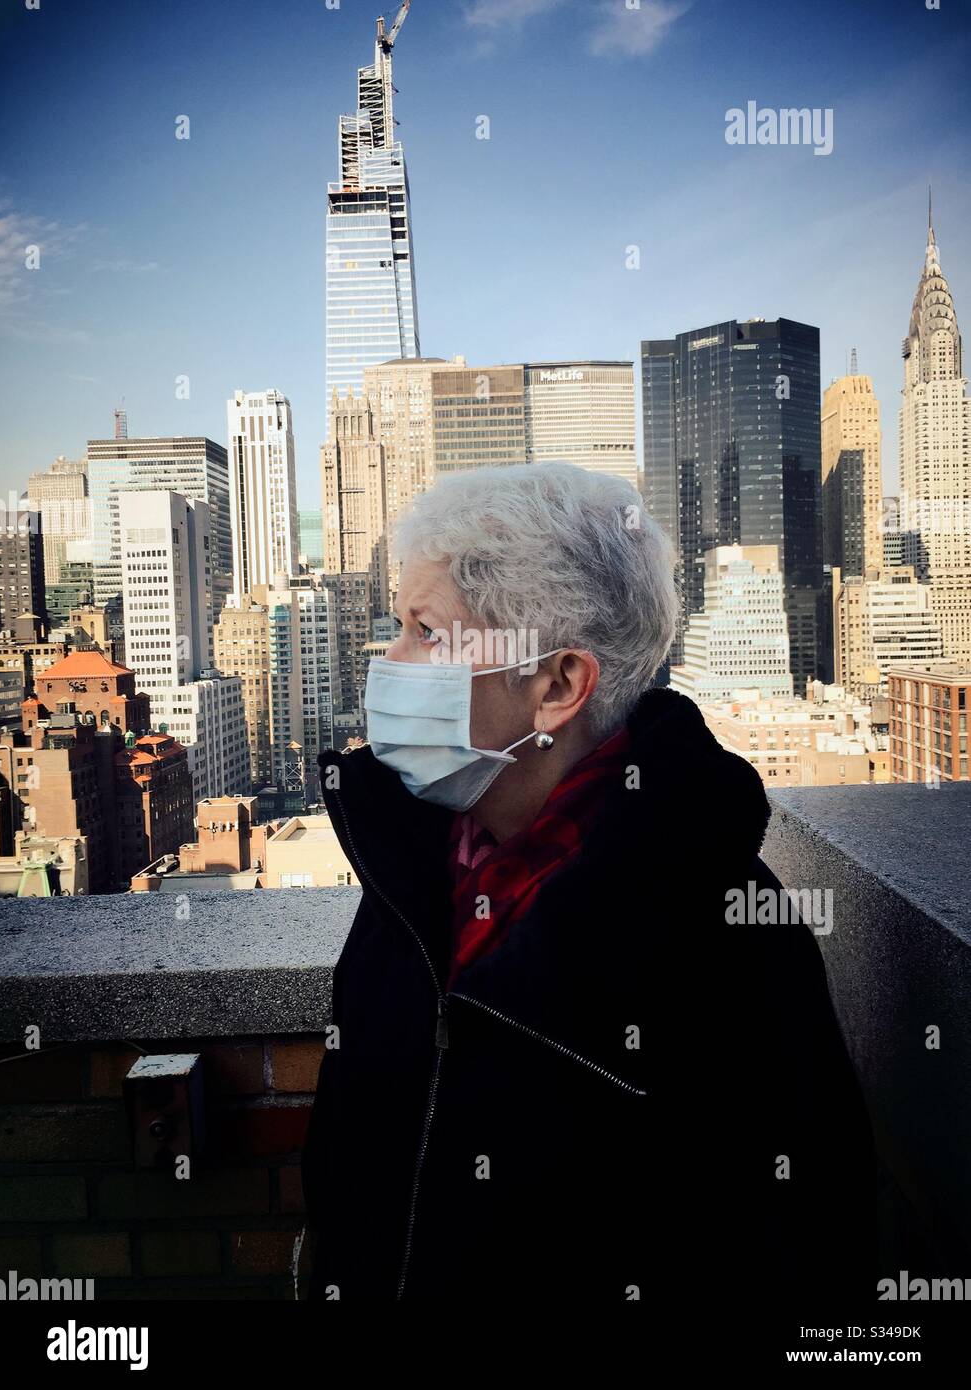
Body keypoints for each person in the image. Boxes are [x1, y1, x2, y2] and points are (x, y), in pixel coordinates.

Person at [302, 462, 877, 1307]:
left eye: (426, 631)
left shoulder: (727, 942)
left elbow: (809, 1262)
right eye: (397, 625)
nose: (388, 663)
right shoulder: (415, 874)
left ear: (559, 685)